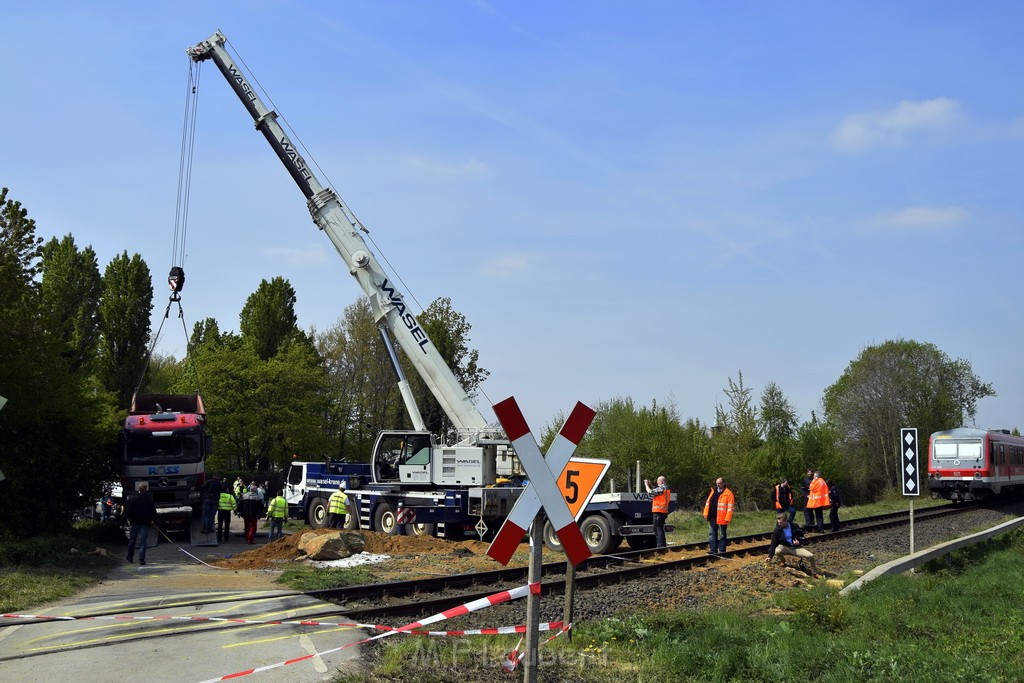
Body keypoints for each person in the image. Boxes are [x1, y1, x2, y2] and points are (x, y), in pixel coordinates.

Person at [765, 512, 821, 577]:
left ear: (786, 521)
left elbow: (802, 537)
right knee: (777, 551)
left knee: (810, 556)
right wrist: (770, 556)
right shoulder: (777, 529)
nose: (779, 524)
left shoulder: (794, 526)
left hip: (795, 548)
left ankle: (814, 573)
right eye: (778, 522)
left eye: (781, 522)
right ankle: (783, 561)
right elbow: (773, 543)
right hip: (785, 547)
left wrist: (799, 542)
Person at [125, 482, 157, 566]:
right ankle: (141, 558)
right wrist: (152, 519)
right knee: (143, 541)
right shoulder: (149, 499)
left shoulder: (133, 499)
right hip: (145, 523)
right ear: (146, 489)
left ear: (138, 489)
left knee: (132, 540)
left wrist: (124, 521)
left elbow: (128, 511)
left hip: (134, 522)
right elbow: (153, 511)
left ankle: (130, 557)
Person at [703, 477, 735, 554]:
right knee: (712, 533)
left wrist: (727, 518)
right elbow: (708, 503)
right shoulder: (713, 491)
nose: (718, 485)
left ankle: (721, 551)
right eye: (717, 483)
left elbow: (730, 507)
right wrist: (706, 513)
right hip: (713, 517)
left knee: (722, 535)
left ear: (723, 483)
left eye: (719, 483)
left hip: (722, 518)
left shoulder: (728, 494)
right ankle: (713, 550)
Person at [644, 475, 671, 548]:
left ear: (661, 481)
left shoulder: (662, 488)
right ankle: (662, 545)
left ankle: (660, 546)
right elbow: (656, 491)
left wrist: (646, 485)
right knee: (660, 529)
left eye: (658, 481)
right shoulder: (665, 488)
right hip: (663, 512)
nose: (657, 482)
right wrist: (651, 485)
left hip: (659, 512)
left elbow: (650, 492)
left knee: (658, 529)